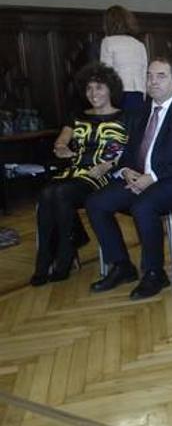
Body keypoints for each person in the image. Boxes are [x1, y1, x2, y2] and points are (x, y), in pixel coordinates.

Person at [86, 58, 172, 299]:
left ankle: (154, 273)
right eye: (150, 76)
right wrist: (125, 171)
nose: (153, 81)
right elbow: (126, 151)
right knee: (96, 202)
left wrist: (152, 177)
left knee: (143, 206)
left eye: (161, 76)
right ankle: (121, 265)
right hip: (137, 177)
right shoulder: (139, 112)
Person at [31, 62, 128, 286]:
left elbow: (128, 152)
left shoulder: (125, 118)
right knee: (47, 192)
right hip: (74, 170)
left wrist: (108, 164)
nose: (93, 94)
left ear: (111, 89)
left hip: (102, 174)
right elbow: (62, 141)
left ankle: (63, 255)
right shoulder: (77, 116)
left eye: (99, 88)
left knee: (60, 192)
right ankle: (46, 256)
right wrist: (61, 148)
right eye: (89, 89)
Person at [100, 5, 148, 115]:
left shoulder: (108, 42)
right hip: (138, 93)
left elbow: (105, 72)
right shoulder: (139, 44)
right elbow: (144, 73)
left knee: (118, 129)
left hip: (118, 93)